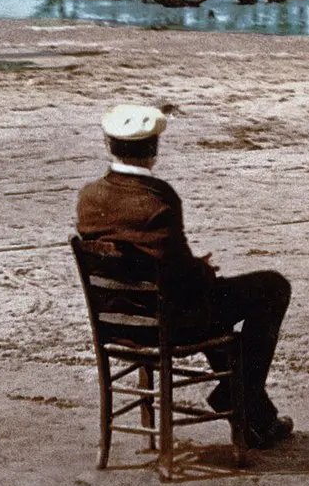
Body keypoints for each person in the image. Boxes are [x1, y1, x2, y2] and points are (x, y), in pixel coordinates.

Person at [74, 104, 293, 450]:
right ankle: (237, 395)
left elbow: (148, 258)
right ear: (154, 150)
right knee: (272, 287)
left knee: (218, 306)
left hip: (117, 322)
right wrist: (204, 270)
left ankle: (256, 415)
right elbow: (183, 283)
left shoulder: (89, 197)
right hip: (166, 324)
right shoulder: (158, 201)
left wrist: (193, 270)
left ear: (108, 144)